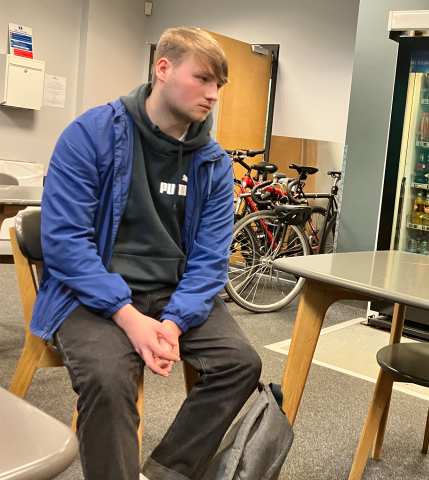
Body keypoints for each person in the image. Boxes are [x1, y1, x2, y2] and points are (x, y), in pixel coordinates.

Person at [31, 27, 262, 480]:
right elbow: (64, 244)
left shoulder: (213, 163)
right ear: (163, 68)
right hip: (90, 290)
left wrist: (174, 321)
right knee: (108, 378)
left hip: (172, 291)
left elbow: (211, 260)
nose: (213, 94)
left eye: (219, 85)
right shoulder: (90, 135)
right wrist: (127, 315)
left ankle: (163, 473)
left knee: (240, 364)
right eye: (203, 79)